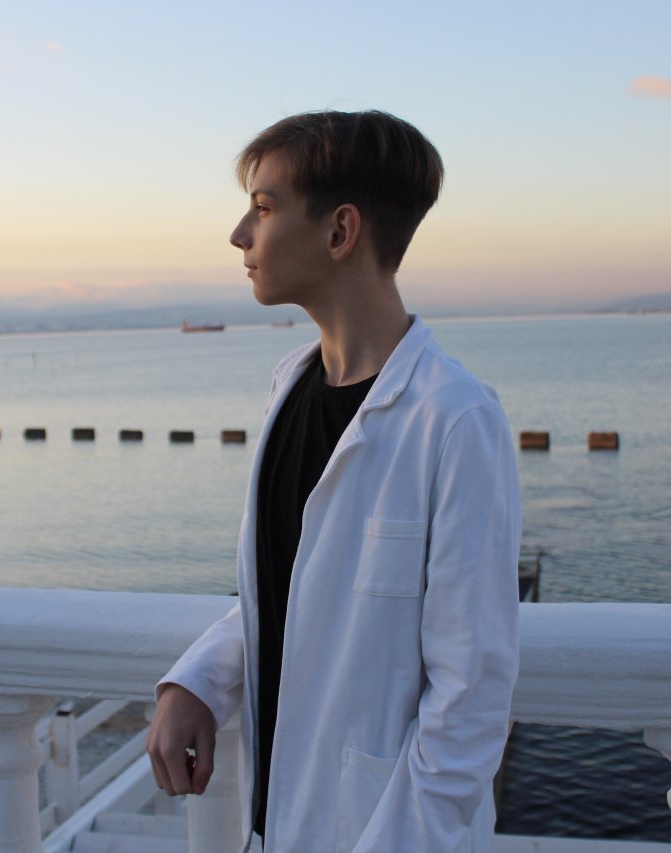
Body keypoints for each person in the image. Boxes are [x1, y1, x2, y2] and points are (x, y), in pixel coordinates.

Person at [146, 110, 522, 852]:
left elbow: (471, 696)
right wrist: (198, 679)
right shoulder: (290, 390)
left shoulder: (454, 419)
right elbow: (294, 590)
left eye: (263, 208)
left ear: (341, 230)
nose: (239, 235)